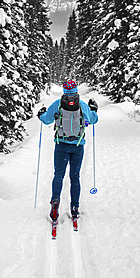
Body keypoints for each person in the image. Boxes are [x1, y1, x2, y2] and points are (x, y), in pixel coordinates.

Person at [37, 80, 98, 221]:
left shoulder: (58, 104)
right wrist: (93, 109)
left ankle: (55, 201)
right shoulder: (82, 105)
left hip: (61, 146)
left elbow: (46, 120)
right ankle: (75, 208)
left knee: (58, 175)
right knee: (74, 177)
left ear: (64, 91)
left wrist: (41, 114)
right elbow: (94, 120)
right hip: (78, 145)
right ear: (76, 91)